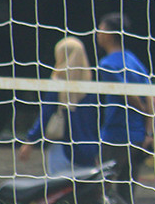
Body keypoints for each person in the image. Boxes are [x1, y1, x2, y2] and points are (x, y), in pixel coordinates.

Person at [95, 12, 155, 204]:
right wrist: (149, 131)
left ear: (109, 34)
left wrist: (143, 109)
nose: (97, 33)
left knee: (104, 187)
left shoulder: (107, 64)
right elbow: (151, 94)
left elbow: (128, 95)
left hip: (116, 134)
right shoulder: (133, 59)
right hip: (137, 135)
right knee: (127, 188)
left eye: (101, 28)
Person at [19, 37, 100, 174]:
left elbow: (46, 114)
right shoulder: (91, 86)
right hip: (88, 151)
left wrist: (30, 141)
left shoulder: (58, 83)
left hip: (62, 150)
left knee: (59, 190)